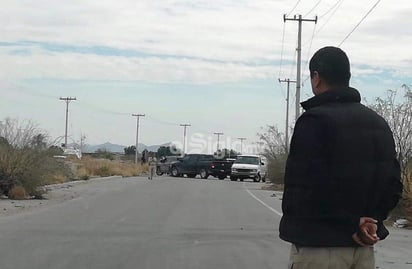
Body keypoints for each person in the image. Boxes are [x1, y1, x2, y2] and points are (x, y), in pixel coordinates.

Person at [279, 46, 403, 269]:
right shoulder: (378, 123)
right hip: (363, 250)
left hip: (319, 248)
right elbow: (392, 185)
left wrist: (348, 224)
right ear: (347, 77)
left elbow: (304, 191)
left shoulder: (314, 121)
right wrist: (370, 221)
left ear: (316, 78)